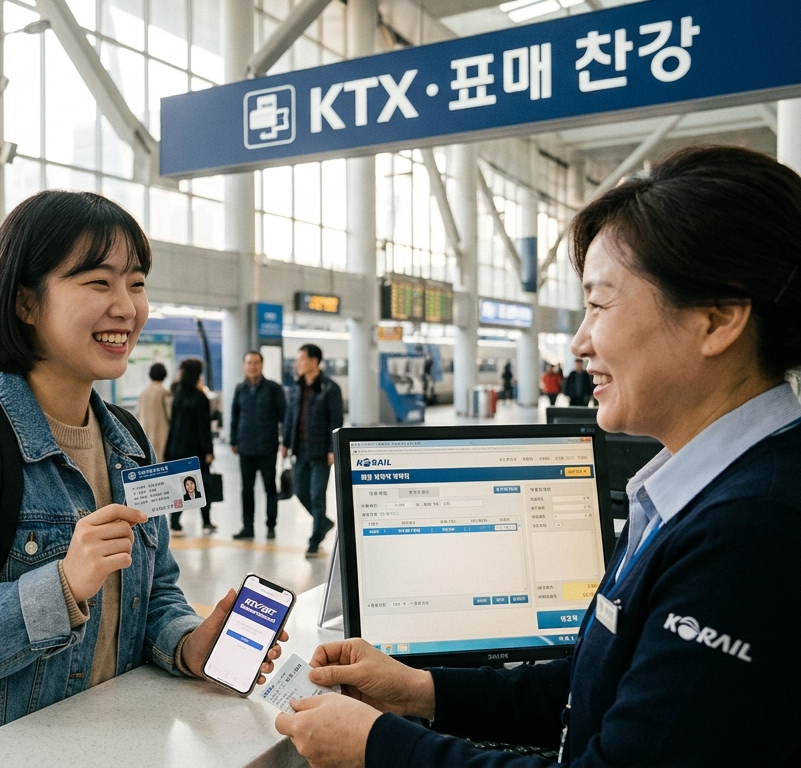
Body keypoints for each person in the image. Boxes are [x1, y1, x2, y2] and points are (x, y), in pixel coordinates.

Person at [273, 145, 801, 767]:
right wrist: (419, 690)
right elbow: (594, 686)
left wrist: (379, 747)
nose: (578, 343)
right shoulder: (693, 492)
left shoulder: (754, 530)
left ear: (716, 321)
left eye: (599, 305)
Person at [0, 190, 285, 767]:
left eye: (137, 283)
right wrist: (63, 586)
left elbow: (155, 594)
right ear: (26, 303)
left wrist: (190, 643)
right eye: (98, 283)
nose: (126, 306)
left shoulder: (128, 443)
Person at [281, 344, 343, 558]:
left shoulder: (329, 388)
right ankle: (323, 522)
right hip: (300, 449)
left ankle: (314, 540)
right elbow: (290, 417)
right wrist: (286, 443)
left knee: (317, 495)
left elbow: (336, 421)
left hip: (320, 451)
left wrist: (332, 449)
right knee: (300, 491)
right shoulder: (296, 387)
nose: (298, 364)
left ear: (314, 361)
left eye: (301, 359)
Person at [230, 349, 286, 540]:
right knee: (247, 489)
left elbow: (284, 417)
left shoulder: (273, 388)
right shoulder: (240, 389)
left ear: (261, 365)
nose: (252, 367)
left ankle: (271, 526)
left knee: (270, 487)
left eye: (256, 363)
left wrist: (285, 442)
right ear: (244, 366)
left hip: (267, 446)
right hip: (245, 446)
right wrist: (233, 440)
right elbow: (235, 416)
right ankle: (248, 527)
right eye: (249, 363)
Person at [165, 357, 216, 536]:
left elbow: (173, 425)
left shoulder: (178, 396)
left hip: (177, 449)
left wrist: (168, 449)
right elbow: (204, 429)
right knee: (201, 486)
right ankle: (207, 522)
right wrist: (209, 450)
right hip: (196, 451)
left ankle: (175, 522)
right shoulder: (200, 398)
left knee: (180, 486)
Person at [137, 362, 172, 460]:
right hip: (162, 433)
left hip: (145, 431)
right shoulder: (164, 392)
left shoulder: (143, 392)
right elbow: (170, 414)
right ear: (165, 375)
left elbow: (138, 413)